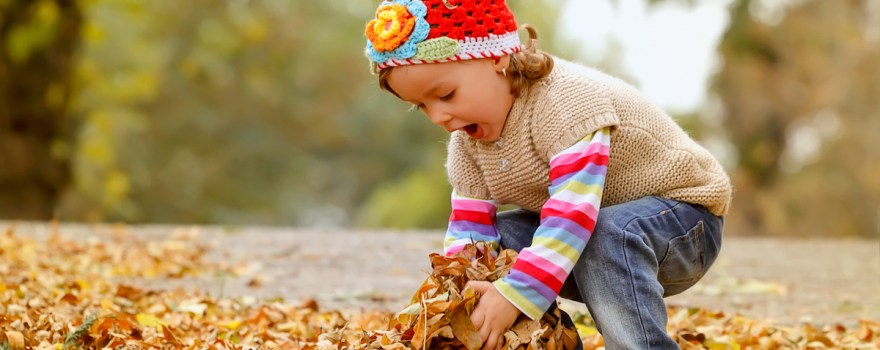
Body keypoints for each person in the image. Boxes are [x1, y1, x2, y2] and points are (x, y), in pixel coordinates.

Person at [362, 0, 732, 349]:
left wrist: (516, 295)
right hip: (597, 234)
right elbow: (468, 233)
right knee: (494, 247)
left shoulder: (567, 104)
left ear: (497, 57)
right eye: (421, 106)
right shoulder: (466, 143)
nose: (439, 116)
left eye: (446, 94)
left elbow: (572, 216)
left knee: (605, 233)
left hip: (683, 225)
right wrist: (464, 303)